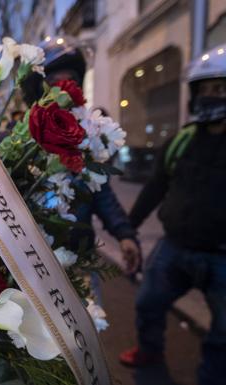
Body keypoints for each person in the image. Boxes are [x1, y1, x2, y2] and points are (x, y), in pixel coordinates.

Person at [119, 44, 226, 384]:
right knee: (149, 301)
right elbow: (155, 189)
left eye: (221, 89)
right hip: (175, 247)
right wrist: (127, 229)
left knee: (223, 332)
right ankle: (150, 350)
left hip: (223, 257)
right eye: (206, 89)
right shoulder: (181, 141)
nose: (212, 96)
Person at [20, 36, 142, 276]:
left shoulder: (85, 141)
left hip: (78, 258)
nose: (65, 90)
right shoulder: (16, 144)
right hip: (28, 261)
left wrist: (124, 234)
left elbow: (102, 193)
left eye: (71, 82)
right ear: (38, 90)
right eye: (56, 83)